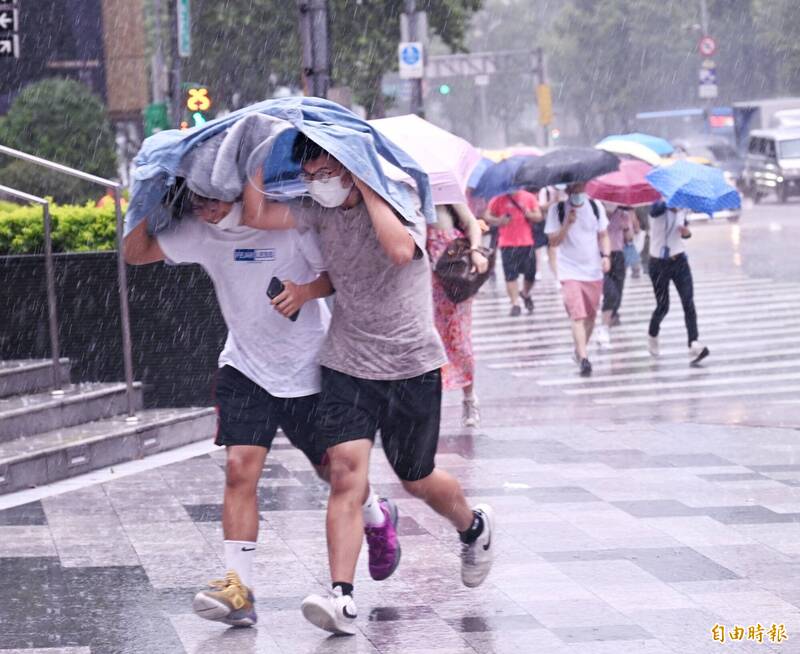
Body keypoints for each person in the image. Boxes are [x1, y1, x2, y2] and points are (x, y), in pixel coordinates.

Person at [243, 133, 495, 636]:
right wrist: (253, 154)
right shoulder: (320, 210)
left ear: (351, 167)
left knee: (415, 477)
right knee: (344, 475)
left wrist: (368, 184)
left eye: (325, 173)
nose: (317, 185)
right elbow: (258, 215)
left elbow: (400, 251)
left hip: (409, 365)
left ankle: (473, 526)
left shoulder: (405, 199)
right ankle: (341, 596)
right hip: (347, 362)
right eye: (309, 175)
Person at [122, 183, 402, 628]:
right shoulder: (199, 231)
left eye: (214, 199)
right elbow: (135, 253)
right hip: (245, 367)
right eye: (198, 200)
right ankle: (239, 590)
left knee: (333, 472)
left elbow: (339, 274)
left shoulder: (285, 222)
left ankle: (377, 515)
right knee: (239, 469)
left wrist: (306, 292)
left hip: (310, 368)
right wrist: (149, 201)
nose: (207, 210)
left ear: (237, 191)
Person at [427, 203, 489, 428]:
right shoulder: (405, 194)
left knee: (459, 340)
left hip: (453, 275)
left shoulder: (444, 190)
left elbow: (472, 222)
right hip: (423, 281)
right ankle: (428, 404)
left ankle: (469, 398)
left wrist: (475, 251)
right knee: (429, 343)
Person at [545, 182, 611, 377]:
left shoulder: (595, 207)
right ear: (567, 190)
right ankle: (583, 358)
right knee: (577, 315)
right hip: (569, 271)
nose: (578, 192)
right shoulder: (556, 210)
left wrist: (606, 256)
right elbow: (553, 242)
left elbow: (604, 235)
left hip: (592, 271)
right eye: (574, 189)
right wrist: (567, 223)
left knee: (590, 316)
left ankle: (578, 350)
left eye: (581, 187)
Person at [646, 201, 710, 364]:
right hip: (658, 263)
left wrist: (686, 232)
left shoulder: (683, 208)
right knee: (663, 306)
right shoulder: (657, 206)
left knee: (688, 302)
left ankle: (693, 344)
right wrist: (669, 204)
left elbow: (684, 233)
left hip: (679, 260)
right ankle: (653, 333)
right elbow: (654, 211)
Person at [486, 190, 542, 316]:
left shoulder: (529, 197)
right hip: (507, 244)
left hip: (526, 242)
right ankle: (515, 303)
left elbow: (538, 216)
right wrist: (499, 220)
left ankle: (525, 293)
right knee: (510, 275)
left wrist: (529, 214)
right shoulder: (498, 198)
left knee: (530, 274)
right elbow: (487, 216)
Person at [595, 203, 639, 347]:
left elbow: (630, 237)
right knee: (610, 292)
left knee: (618, 293)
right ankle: (604, 327)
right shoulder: (597, 213)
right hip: (601, 256)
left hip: (619, 255)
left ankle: (611, 317)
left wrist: (626, 226)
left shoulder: (622, 213)